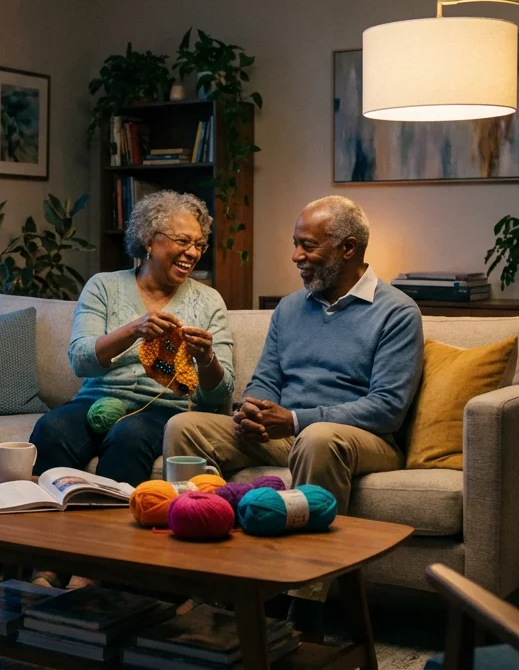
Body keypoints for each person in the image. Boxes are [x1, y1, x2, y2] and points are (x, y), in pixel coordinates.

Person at [163, 195, 423, 631]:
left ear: (348, 248)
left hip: (360, 438)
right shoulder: (289, 307)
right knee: (185, 427)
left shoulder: (397, 313)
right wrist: (253, 408)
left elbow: (387, 409)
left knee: (318, 436)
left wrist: (297, 419)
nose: (295, 256)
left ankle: (306, 605)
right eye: (295, 243)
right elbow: (266, 378)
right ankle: (206, 583)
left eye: (308, 245)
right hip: (289, 432)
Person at [28, 190, 234, 588]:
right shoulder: (104, 286)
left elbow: (218, 395)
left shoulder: (209, 302)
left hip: (164, 409)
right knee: (51, 429)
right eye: (182, 241)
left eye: (199, 244)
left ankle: (97, 570)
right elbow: (81, 359)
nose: (192, 252)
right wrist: (133, 329)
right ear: (148, 240)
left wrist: (206, 359)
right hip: (96, 400)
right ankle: (46, 563)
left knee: (128, 435)